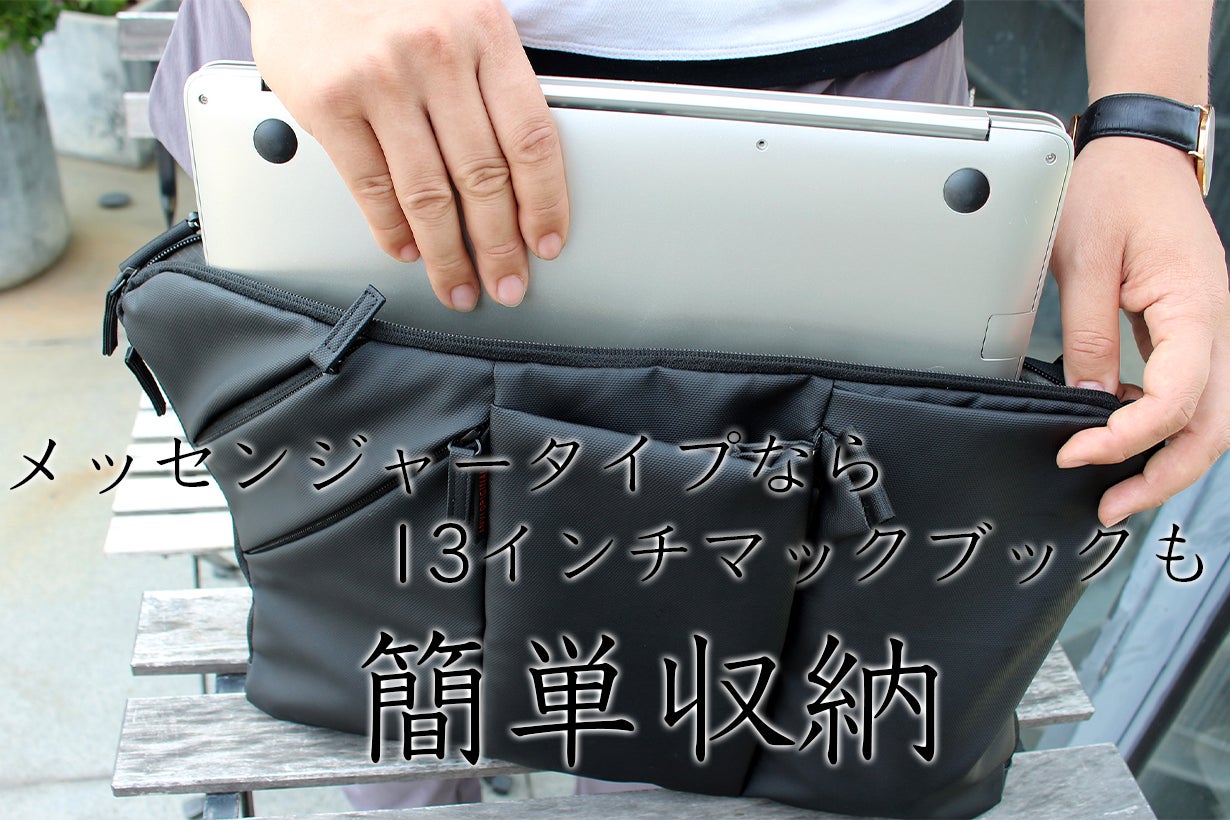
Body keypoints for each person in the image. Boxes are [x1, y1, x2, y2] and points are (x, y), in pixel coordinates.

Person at [148, 0, 1228, 808]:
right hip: (356, 60)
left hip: (853, 98)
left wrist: (1147, 126)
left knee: (730, 694)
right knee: (385, 682)